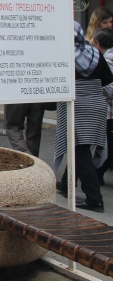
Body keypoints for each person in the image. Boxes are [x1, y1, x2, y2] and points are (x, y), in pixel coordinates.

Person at [54, 21, 113, 212]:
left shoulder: (64, 56)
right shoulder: (95, 53)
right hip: (96, 106)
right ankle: (65, 186)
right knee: (81, 148)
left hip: (76, 106)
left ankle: (94, 199)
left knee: (79, 150)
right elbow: (108, 83)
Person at [95, 28, 113, 185]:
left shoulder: (107, 59)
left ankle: (98, 173)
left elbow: (109, 87)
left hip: (109, 110)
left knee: (106, 146)